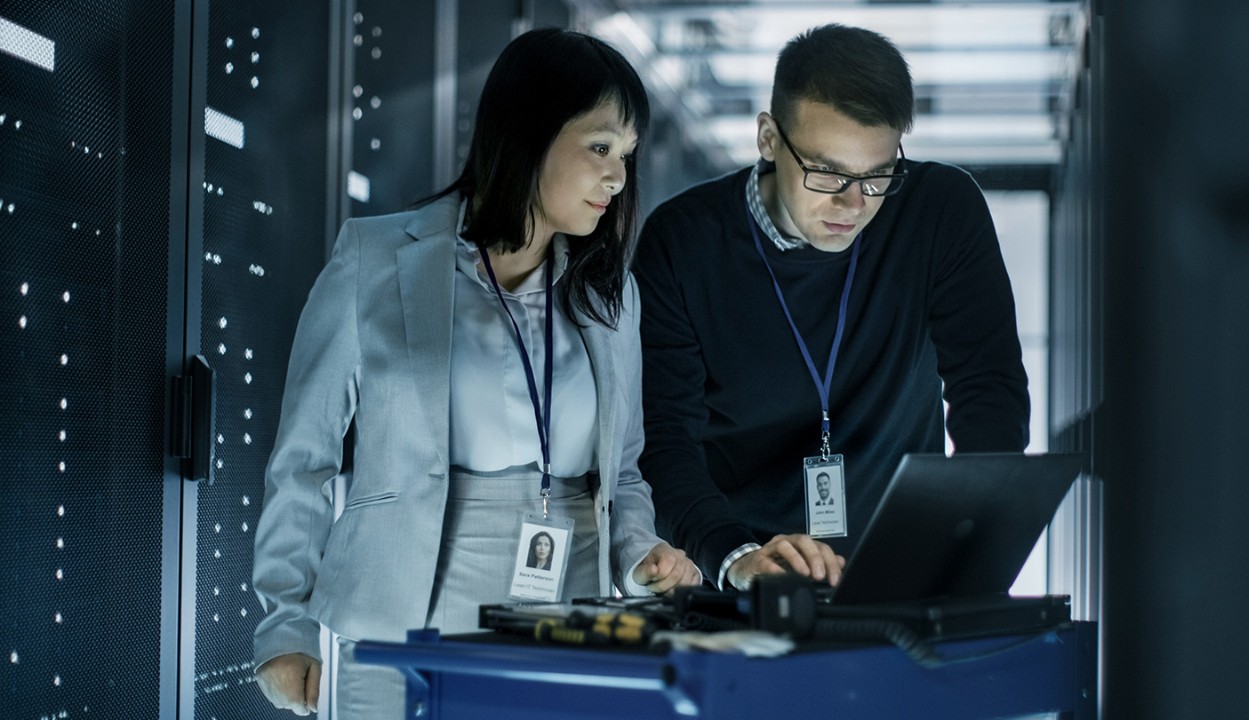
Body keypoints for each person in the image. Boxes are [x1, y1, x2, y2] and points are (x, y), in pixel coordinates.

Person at [252, 27, 701, 718]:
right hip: (400, 620)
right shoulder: (373, 260)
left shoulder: (612, 297)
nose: (617, 177)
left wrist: (640, 557)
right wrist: (284, 623)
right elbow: (302, 461)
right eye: (600, 147)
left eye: (628, 156)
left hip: (567, 623)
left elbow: (624, 475)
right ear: (528, 133)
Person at [633, 24, 1030, 592]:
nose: (852, 203)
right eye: (827, 173)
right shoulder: (684, 241)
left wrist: (972, 544)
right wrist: (735, 556)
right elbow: (665, 439)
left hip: (901, 565)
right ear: (769, 139)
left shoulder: (939, 211)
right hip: (743, 567)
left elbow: (987, 388)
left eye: (877, 175)